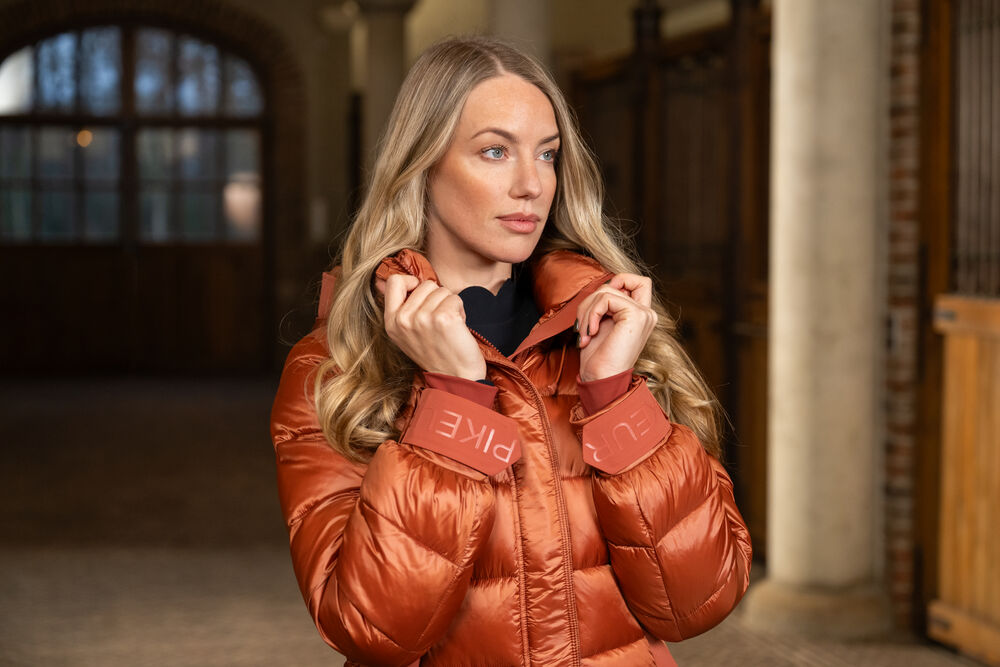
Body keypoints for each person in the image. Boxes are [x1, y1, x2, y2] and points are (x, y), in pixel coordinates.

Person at [271, 36, 751, 667]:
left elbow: (697, 602)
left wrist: (612, 395)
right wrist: (453, 402)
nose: (531, 184)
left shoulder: (616, 334)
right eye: (495, 152)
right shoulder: (341, 365)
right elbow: (373, 628)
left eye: (547, 156)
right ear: (422, 165)